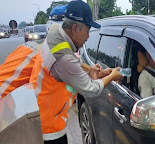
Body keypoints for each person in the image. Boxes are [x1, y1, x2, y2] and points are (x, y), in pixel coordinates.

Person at [29, 1, 123, 143]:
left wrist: (92, 70)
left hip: (43, 117)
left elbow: (71, 65)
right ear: (75, 28)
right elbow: (91, 89)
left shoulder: (55, 37)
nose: (88, 36)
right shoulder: (63, 56)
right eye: (87, 30)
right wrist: (112, 76)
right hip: (49, 128)